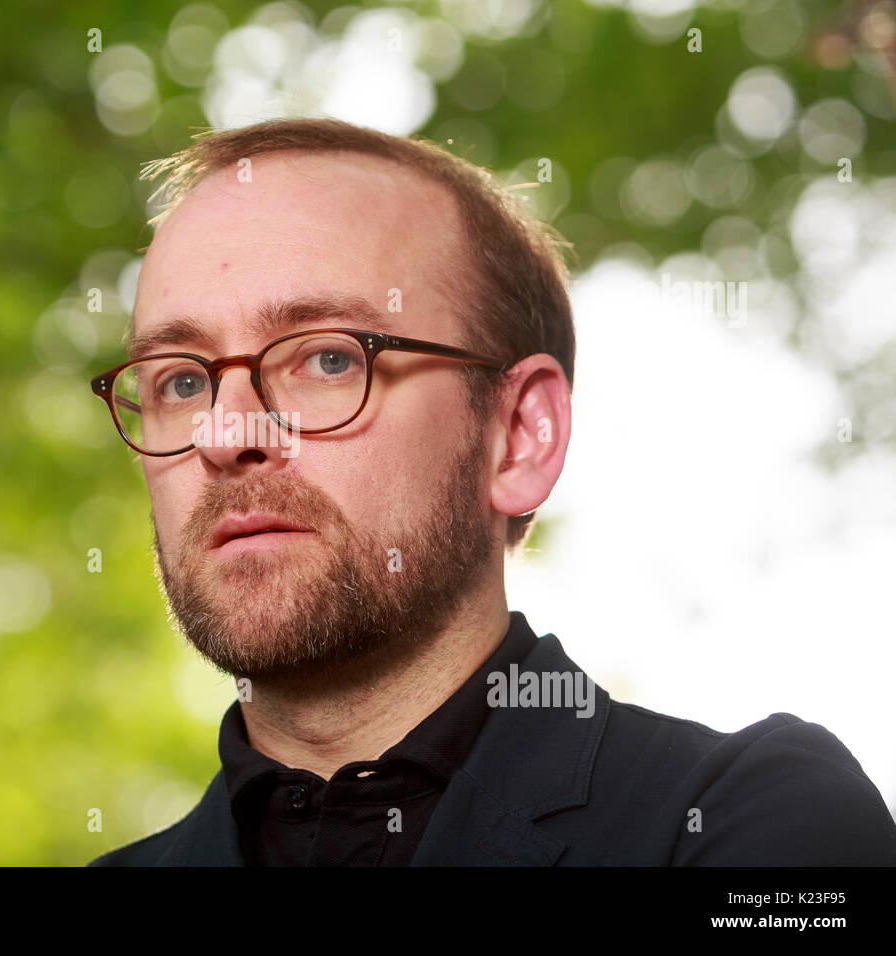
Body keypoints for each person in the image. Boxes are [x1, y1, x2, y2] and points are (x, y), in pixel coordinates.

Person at [86, 117, 896, 866]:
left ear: (517, 436)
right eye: (182, 381)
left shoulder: (760, 826)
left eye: (328, 359)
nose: (227, 435)